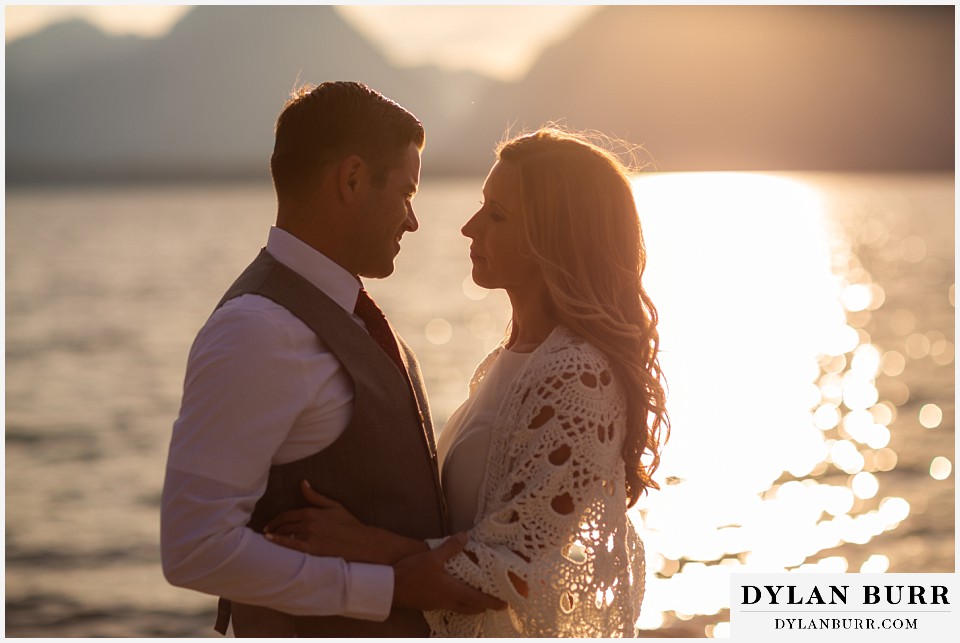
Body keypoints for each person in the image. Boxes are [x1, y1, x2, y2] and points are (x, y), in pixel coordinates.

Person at [265, 127, 670, 636]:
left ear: (554, 240)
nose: (469, 227)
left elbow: (512, 573)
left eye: (497, 215)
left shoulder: (577, 376)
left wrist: (366, 545)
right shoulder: (509, 361)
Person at [160, 81, 504, 637]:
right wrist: (389, 588)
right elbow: (193, 548)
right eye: (406, 193)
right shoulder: (257, 330)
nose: (412, 221)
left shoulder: (339, 313)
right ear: (351, 179)